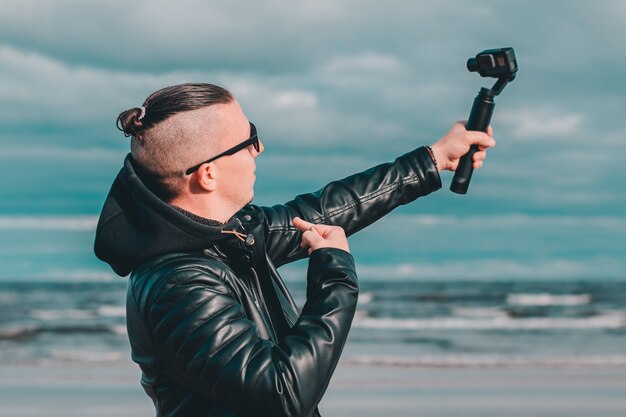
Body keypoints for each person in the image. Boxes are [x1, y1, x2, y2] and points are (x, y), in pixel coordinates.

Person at [94, 83, 494, 417]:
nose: (260, 148)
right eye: (248, 139)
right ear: (208, 174)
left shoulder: (230, 234)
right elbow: (281, 394)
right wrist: (335, 274)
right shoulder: (179, 284)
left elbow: (323, 210)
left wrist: (434, 159)